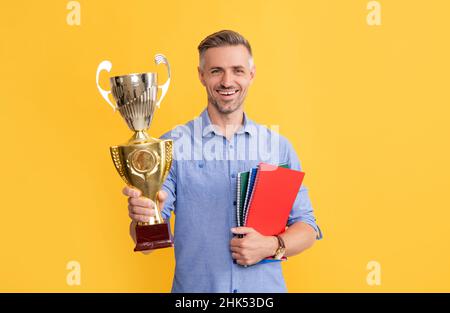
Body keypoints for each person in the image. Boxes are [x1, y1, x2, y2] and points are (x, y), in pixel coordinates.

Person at [123, 30, 322, 293]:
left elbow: (307, 227)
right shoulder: (171, 146)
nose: (227, 81)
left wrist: (272, 245)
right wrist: (145, 218)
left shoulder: (277, 147)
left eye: (237, 70)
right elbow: (149, 244)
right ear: (201, 75)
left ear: (251, 74)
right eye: (216, 71)